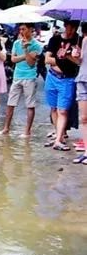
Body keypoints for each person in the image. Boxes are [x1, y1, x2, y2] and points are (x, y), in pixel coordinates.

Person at [0, 23, 43, 137]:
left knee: (30, 105)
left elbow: (31, 63)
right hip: (17, 76)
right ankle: (6, 128)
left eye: (24, 29)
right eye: (20, 29)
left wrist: (26, 50)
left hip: (30, 76)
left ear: (31, 30)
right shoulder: (16, 43)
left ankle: (27, 131)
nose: (21, 31)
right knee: (10, 103)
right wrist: (26, 55)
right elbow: (13, 59)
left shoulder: (37, 45)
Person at [44, 20, 80, 150]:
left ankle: (58, 139)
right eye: (70, 28)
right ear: (65, 26)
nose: (71, 31)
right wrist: (61, 59)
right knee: (54, 108)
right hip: (52, 77)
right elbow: (47, 59)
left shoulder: (78, 40)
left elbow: (78, 62)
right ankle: (59, 134)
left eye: (74, 28)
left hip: (67, 79)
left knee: (63, 110)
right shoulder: (55, 40)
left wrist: (68, 56)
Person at [72, 22, 87, 165]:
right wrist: (75, 56)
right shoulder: (84, 40)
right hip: (82, 80)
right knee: (84, 118)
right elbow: (80, 62)